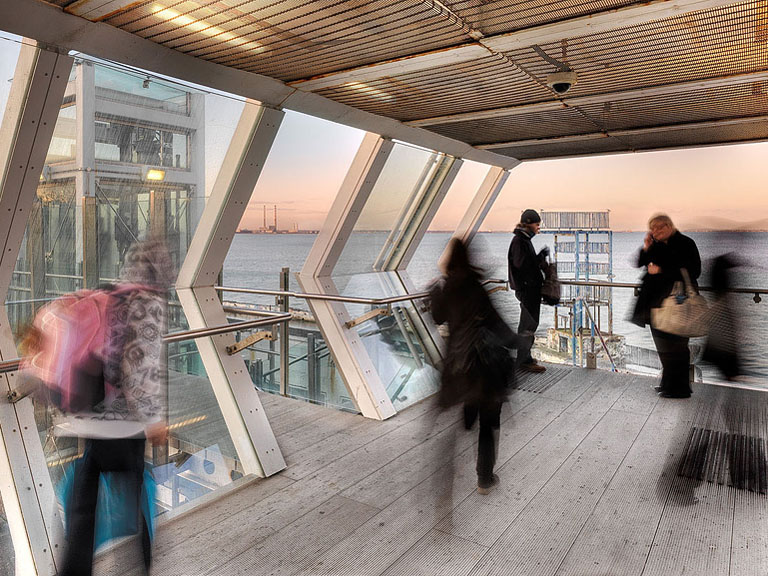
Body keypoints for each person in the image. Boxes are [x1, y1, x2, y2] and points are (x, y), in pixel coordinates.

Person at [58, 239, 172, 576]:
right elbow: (142, 370)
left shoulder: (109, 295)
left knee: (84, 509)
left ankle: (73, 570)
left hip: (89, 416)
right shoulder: (149, 303)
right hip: (123, 424)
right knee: (138, 504)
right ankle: (142, 566)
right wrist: (154, 420)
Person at [430, 238, 518, 495]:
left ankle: (465, 429)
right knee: (489, 423)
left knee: (469, 411)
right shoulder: (475, 288)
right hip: (484, 369)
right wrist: (521, 341)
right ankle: (484, 478)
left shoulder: (447, 288)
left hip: (458, 368)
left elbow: (438, 317)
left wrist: (435, 291)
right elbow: (497, 325)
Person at [631, 214, 701, 398]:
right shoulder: (657, 245)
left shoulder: (686, 243)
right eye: (653, 228)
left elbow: (695, 271)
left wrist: (661, 270)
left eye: (659, 228)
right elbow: (640, 263)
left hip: (678, 303)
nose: (655, 231)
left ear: (669, 226)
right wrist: (646, 247)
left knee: (677, 347)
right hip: (657, 304)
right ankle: (668, 384)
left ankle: (680, 389)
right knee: (663, 346)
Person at [508, 209, 549, 373]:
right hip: (527, 289)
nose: (538, 227)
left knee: (528, 324)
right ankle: (524, 359)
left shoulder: (523, 239)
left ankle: (525, 357)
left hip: (528, 288)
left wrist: (537, 258)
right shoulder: (520, 241)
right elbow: (522, 265)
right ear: (529, 223)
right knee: (528, 325)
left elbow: (524, 263)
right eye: (537, 224)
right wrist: (539, 259)